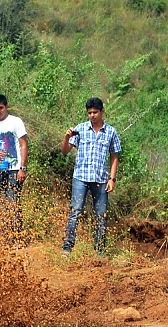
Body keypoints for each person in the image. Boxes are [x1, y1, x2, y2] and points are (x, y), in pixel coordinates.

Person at [60, 97, 121, 255]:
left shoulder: (110, 132)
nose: (92, 115)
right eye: (89, 113)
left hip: (101, 179)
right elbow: (65, 151)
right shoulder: (80, 129)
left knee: (101, 214)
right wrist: (67, 138)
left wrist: (112, 179)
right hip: (81, 176)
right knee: (75, 211)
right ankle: (67, 247)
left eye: (95, 112)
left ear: (102, 111)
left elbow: (114, 156)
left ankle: (99, 250)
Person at [0, 94, 28, 247]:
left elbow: (23, 145)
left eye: (0, 108)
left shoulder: (15, 122)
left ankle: (18, 239)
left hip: (14, 170)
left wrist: (22, 168)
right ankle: (6, 239)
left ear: (6, 107)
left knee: (13, 202)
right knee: (2, 204)